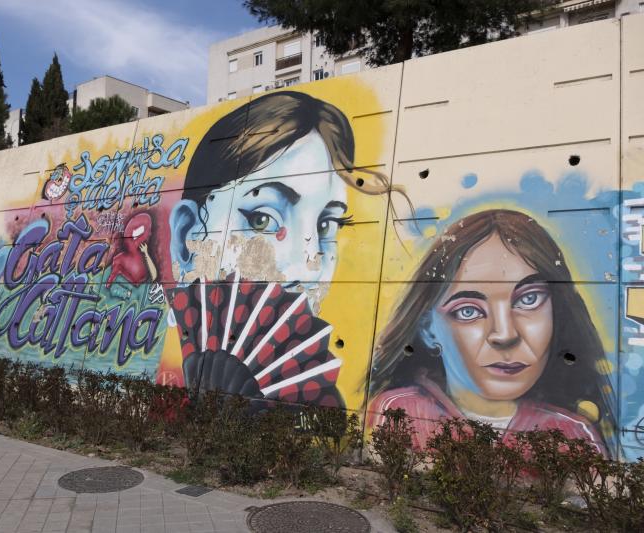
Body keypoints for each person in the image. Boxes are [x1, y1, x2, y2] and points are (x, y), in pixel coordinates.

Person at [164, 91, 404, 404]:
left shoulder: (322, 407)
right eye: (262, 219)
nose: (308, 268)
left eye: (326, 226)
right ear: (186, 237)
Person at [366, 209, 614, 454]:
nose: (505, 335)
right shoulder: (401, 411)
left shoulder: (574, 434)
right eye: (468, 311)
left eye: (529, 299)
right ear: (429, 331)